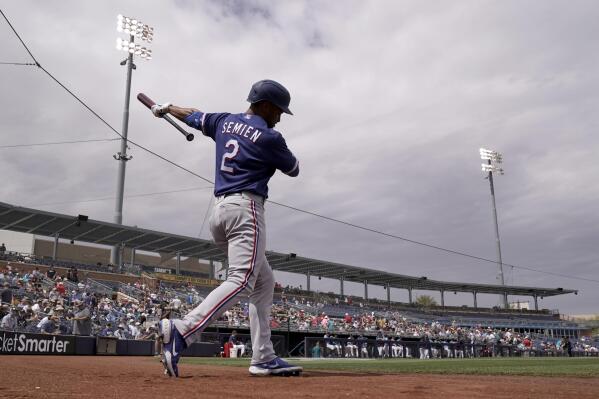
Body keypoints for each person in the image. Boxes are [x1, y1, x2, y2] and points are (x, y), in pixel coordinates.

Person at [152, 79, 301, 378]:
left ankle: (263, 357)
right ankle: (183, 330)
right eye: (279, 110)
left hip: (219, 213)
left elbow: (193, 115)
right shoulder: (270, 137)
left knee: (262, 282)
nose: (281, 116)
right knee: (243, 280)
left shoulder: (223, 121)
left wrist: (167, 108)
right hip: (246, 209)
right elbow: (294, 168)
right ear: (267, 105)